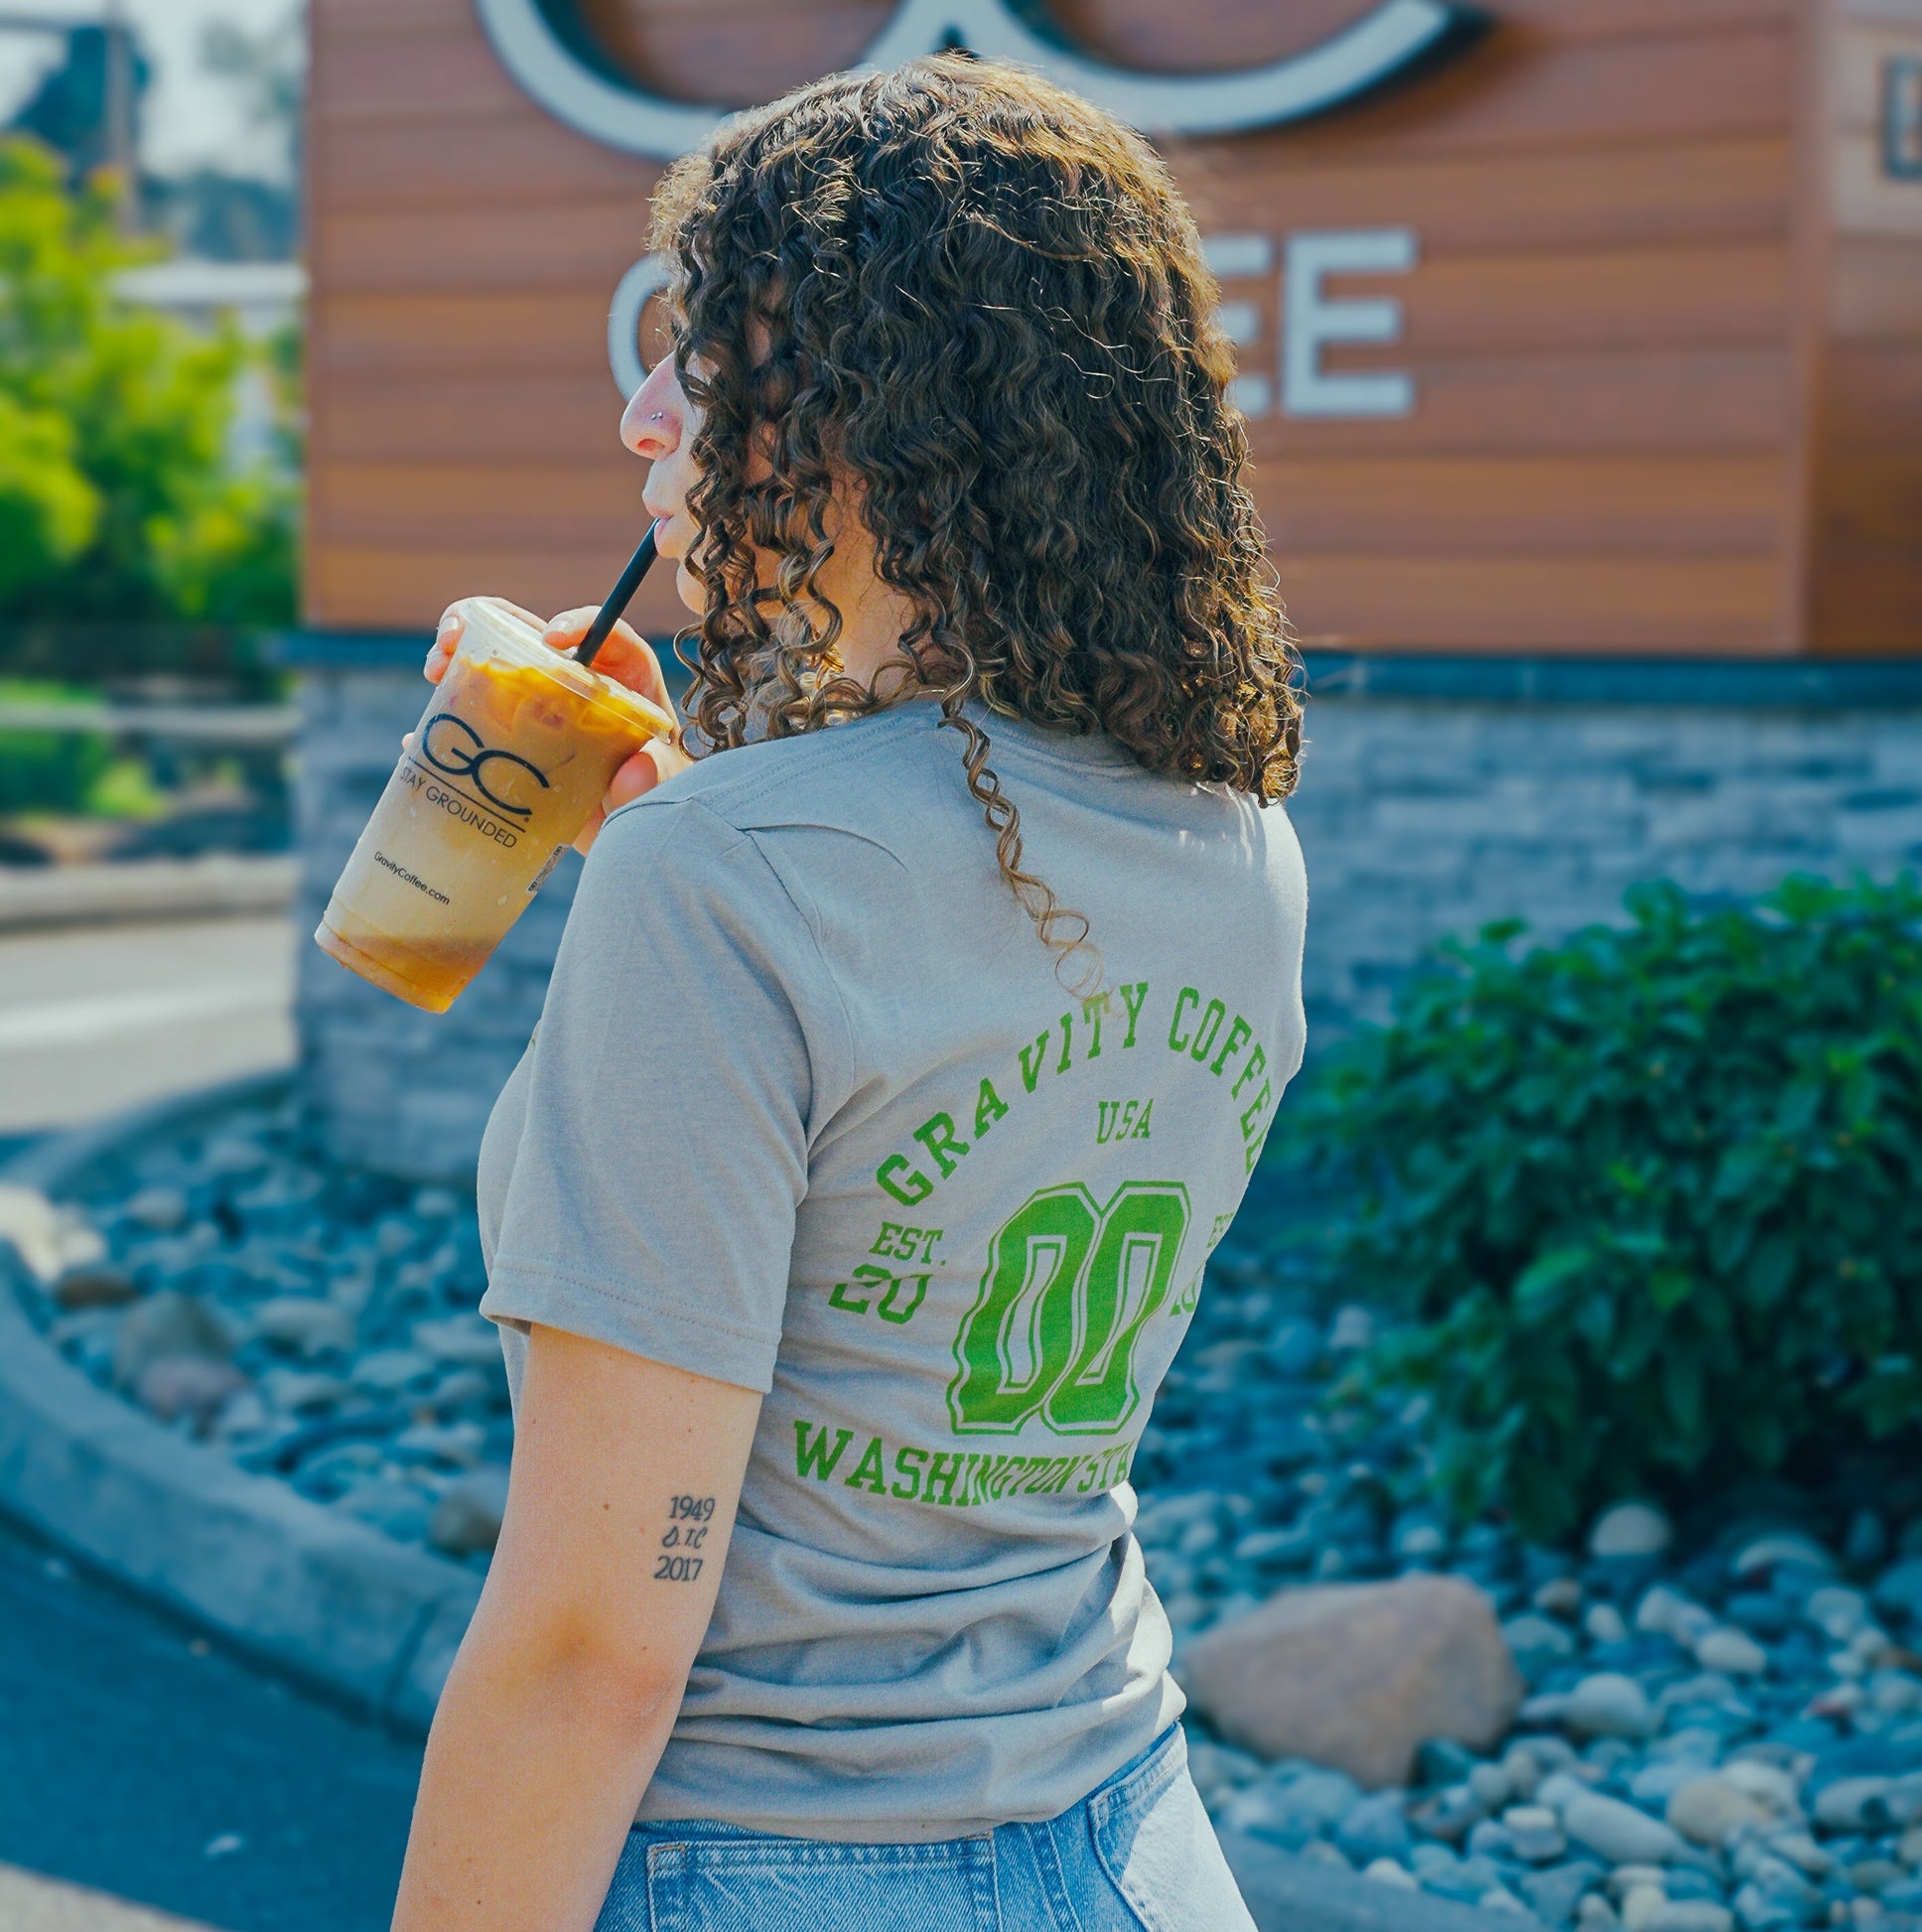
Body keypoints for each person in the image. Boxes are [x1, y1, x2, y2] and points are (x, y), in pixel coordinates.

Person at [392, 53, 1306, 1932]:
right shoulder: (1236, 837)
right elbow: (935, 958)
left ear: (889, 414)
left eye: (705, 358)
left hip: (771, 1862)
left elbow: (592, 1644)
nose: (643, 411)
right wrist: (693, 809)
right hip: (1128, 1837)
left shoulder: (725, 881)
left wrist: (688, 853)